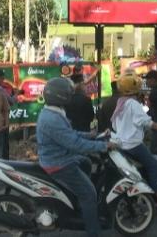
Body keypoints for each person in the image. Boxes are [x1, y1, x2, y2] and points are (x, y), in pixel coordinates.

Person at [36, 77, 116, 237]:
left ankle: (78, 201)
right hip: (59, 164)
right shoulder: (53, 118)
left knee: (86, 162)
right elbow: (76, 144)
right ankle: (94, 232)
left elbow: (69, 134)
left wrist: (91, 135)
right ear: (61, 96)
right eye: (68, 94)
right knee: (89, 193)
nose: (71, 96)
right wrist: (102, 145)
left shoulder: (52, 112)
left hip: (59, 158)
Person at [112, 74, 157, 217]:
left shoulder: (121, 102)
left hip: (121, 143)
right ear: (135, 88)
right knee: (154, 166)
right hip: (133, 145)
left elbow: (116, 124)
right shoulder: (133, 104)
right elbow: (147, 122)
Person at [0, 69, 15, 160]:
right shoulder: (0, 90)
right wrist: (16, 94)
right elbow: (11, 101)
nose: (3, 80)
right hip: (1, 121)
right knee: (3, 146)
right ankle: (3, 165)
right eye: (2, 78)